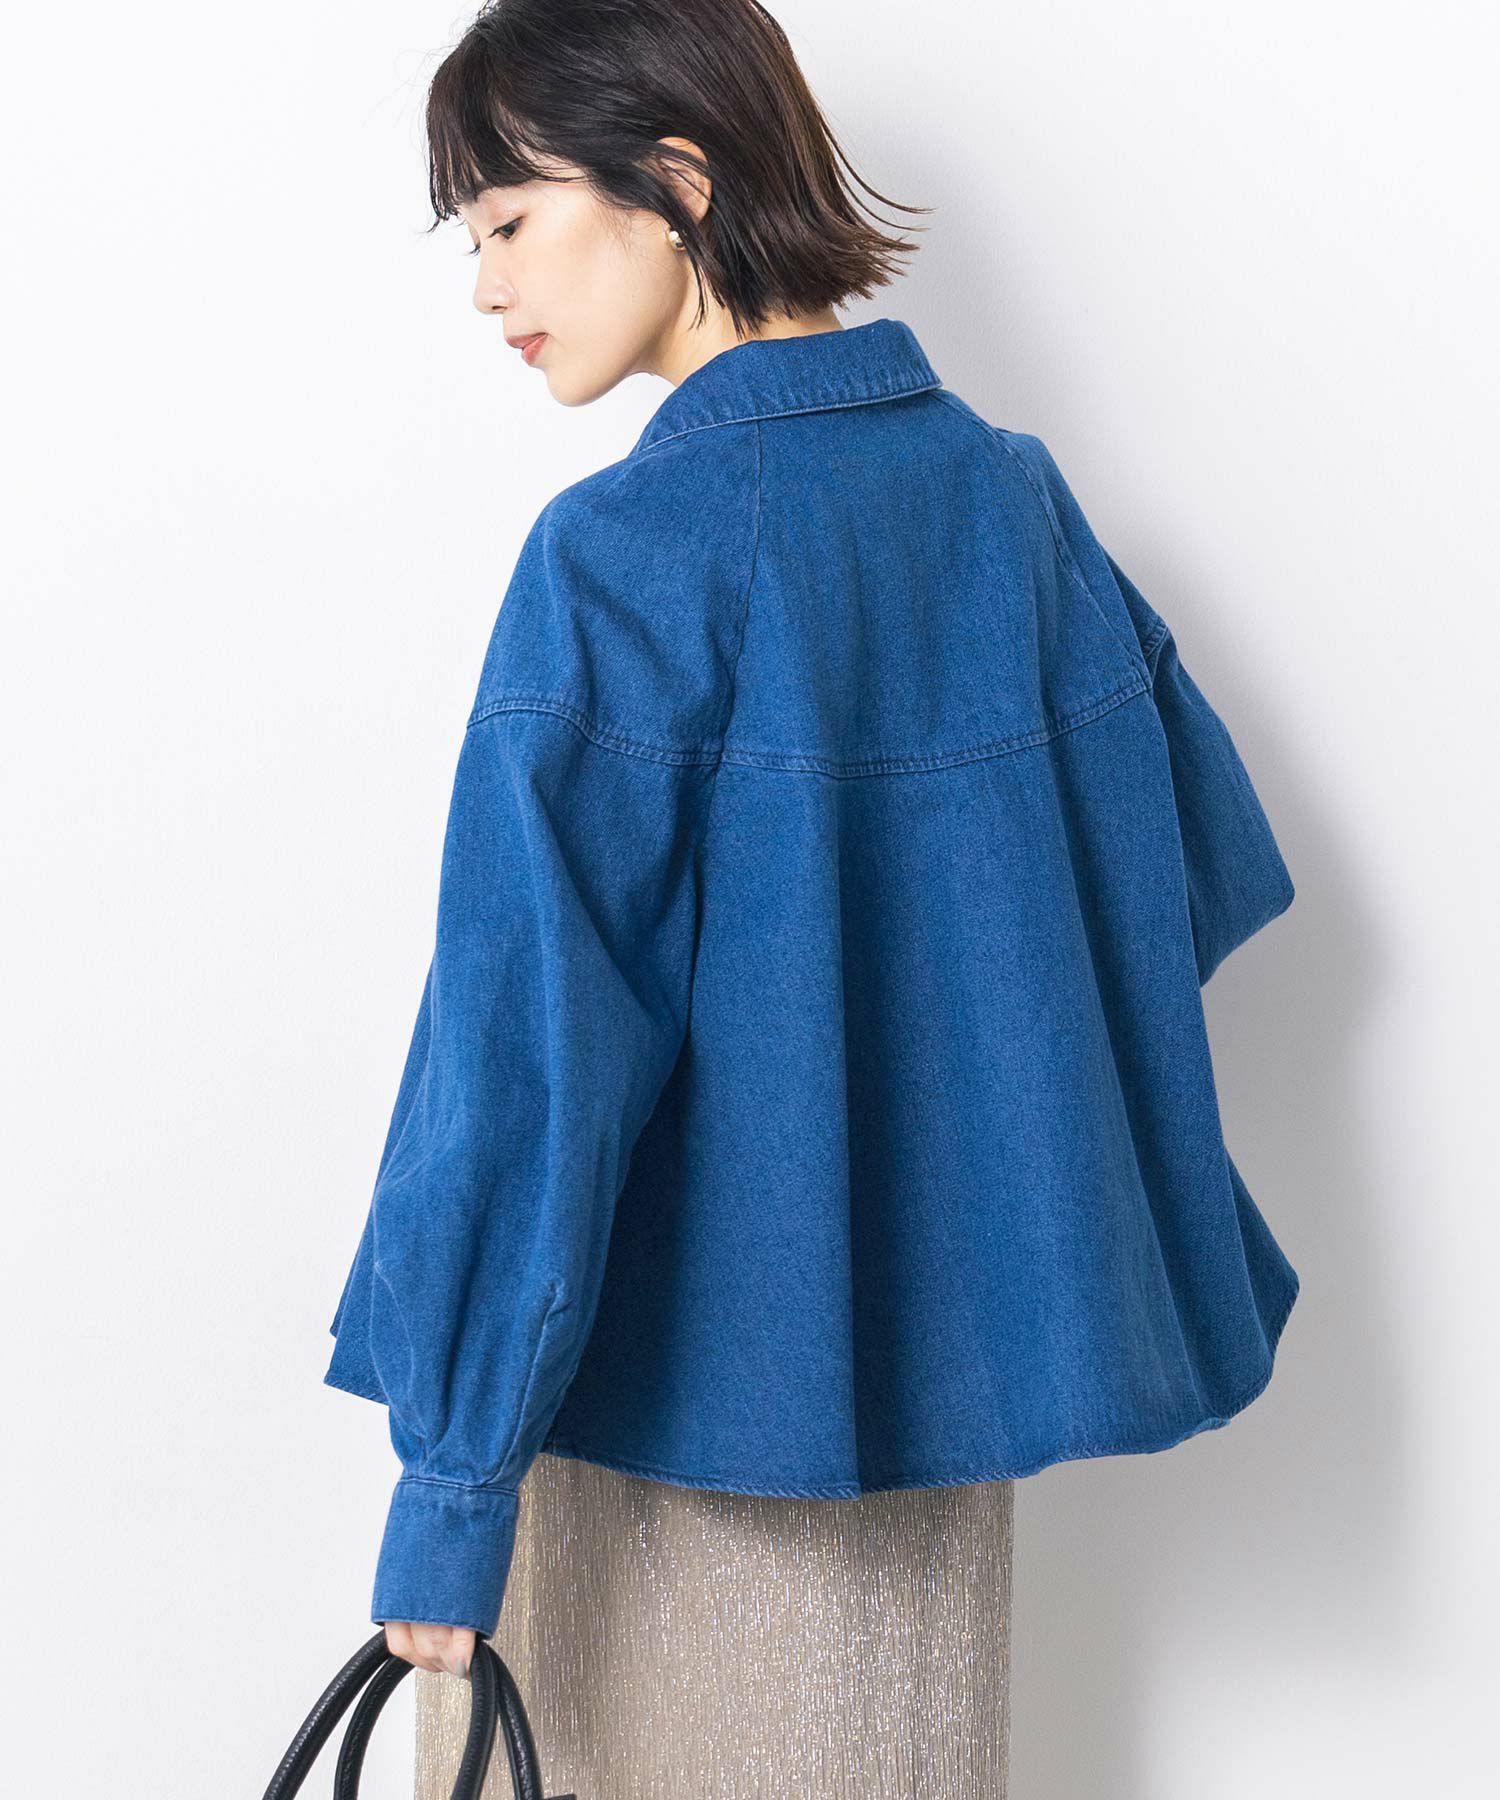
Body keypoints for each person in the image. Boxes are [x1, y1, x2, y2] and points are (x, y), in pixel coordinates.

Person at [322, 0, 1300, 1781]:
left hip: (660, 1458)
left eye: (512, 220)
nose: (487, 287)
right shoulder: (1010, 508)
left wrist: (452, 1492)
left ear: (678, 182)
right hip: (940, 1487)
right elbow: (1185, 890)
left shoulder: (623, 557)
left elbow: (531, 1067)